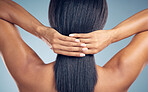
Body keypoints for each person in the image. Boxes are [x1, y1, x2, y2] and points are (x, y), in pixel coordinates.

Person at [0, 0, 148, 92]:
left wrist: (40, 30)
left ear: (53, 18)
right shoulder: (119, 75)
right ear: (101, 20)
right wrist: (113, 35)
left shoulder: (28, 72)